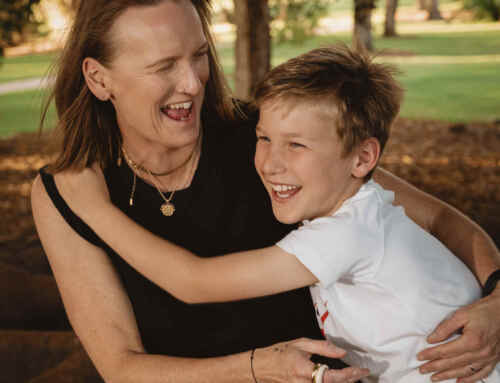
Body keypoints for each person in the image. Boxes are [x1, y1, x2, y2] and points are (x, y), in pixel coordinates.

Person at [30, 0, 500, 382]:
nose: (193, 82)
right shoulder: (67, 191)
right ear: (98, 78)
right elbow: (121, 367)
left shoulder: (267, 141)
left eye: (198, 55)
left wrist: (498, 300)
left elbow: (436, 219)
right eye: (164, 66)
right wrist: (257, 369)